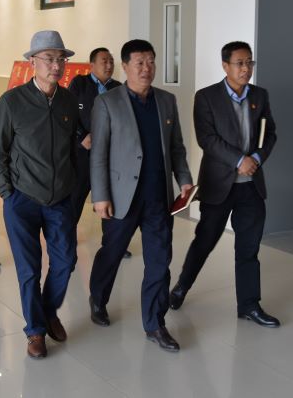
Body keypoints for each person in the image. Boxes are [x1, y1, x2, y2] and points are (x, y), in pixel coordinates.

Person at [88, 39, 193, 352]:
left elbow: (176, 147)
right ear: (125, 67)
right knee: (112, 253)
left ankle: (155, 324)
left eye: (151, 62)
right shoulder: (107, 103)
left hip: (158, 197)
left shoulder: (167, 101)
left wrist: (184, 179)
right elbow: (99, 153)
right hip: (122, 197)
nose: (147, 68)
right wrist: (100, 196)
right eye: (139, 63)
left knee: (160, 261)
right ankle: (98, 298)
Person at [169, 41, 280, 328]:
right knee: (205, 241)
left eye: (249, 63)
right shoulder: (206, 97)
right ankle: (182, 286)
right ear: (225, 65)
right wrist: (239, 160)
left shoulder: (260, 95)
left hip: (251, 185)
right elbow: (206, 138)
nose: (246, 69)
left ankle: (249, 305)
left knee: (248, 247)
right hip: (219, 185)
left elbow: (270, 133)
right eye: (240, 63)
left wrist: (256, 158)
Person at [0, 30, 79, 359]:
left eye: (61, 59)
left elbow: (72, 147)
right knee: (29, 269)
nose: (57, 66)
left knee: (65, 261)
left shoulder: (68, 101)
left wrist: (73, 187)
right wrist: (7, 193)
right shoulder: (12, 102)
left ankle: (48, 310)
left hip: (60, 198)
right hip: (22, 199)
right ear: (32, 62)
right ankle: (36, 331)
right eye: (49, 59)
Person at [67, 48, 132, 258]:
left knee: (111, 198)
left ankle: (113, 243)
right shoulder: (80, 83)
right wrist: (81, 137)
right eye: (104, 61)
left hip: (110, 156)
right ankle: (67, 241)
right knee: (76, 198)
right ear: (92, 64)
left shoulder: (118, 88)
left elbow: (124, 119)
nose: (109, 65)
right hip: (83, 154)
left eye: (111, 61)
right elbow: (68, 114)